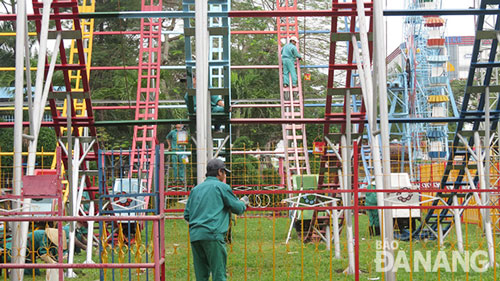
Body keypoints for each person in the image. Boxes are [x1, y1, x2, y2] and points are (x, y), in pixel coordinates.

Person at [184, 159, 249, 281]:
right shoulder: (221, 187)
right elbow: (238, 208)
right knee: (218, 274)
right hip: (213, 235)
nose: (225, 176)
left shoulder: (195, 189)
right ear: (220, 172)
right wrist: (243, 202)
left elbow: (187, 214)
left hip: (195, 236)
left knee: (201, 276)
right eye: (225, 173)